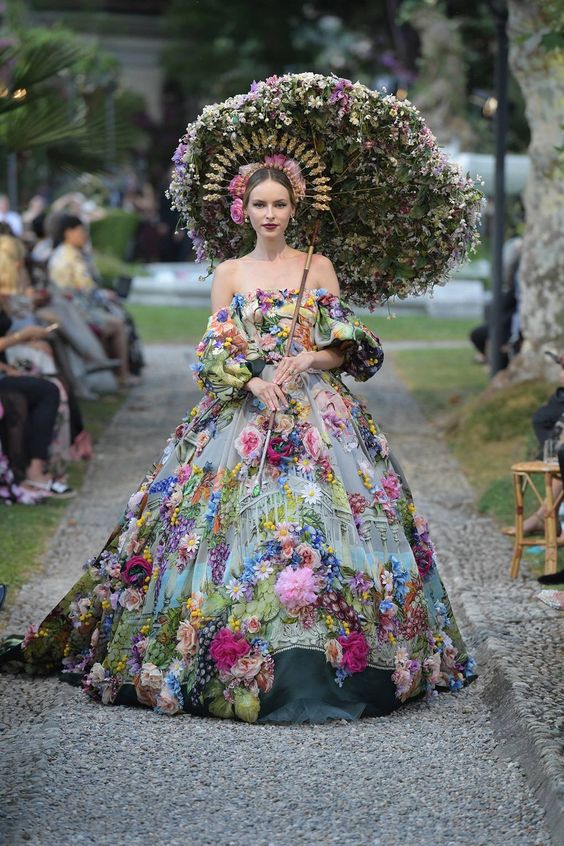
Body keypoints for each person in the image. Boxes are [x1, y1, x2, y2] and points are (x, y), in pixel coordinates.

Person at [0, 163, 476, 723]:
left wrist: (309, 356)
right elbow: (214, 353)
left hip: (318, 413)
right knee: (226, 526)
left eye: (279, 204)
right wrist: (253, 379)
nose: (270, 215)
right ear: (243, 210)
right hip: (244, 417)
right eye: (260, 206)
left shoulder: (318, 266)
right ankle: (246, 653)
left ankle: (330, 657)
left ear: (294, 208)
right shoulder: (228, 273)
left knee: (320, 520)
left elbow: (346, 346)